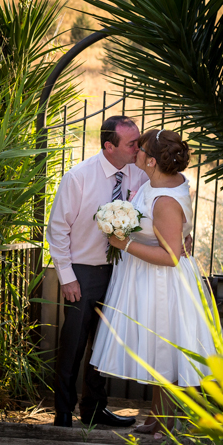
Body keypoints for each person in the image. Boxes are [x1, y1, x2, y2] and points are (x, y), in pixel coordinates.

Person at [90, 128, 221, 434]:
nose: (135, 151)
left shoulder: (164, 199)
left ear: (151, 161)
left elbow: (171, 256)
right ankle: (159, 417)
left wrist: (124, 244)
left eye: (141, 149)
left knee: (164, 348)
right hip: (148, 278)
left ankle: (168, 421)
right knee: (160, 348)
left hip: (163, 283)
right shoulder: (164, 182)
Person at [45, 115, 147, 428]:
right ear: (109, 146)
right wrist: (67, 277)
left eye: (138, 142)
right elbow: (57, 228)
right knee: (73, 344)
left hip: (121, 272)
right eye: (132, 143)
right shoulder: (78, 177)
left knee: (104, 345)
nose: (138, 148)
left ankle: (94, 409)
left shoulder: (140, 175)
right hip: (83, 273)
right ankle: (63, 412)